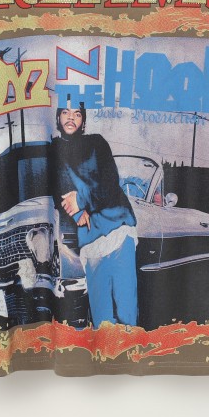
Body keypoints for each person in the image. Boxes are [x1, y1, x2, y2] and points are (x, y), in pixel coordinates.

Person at [48, 101, 139, 328]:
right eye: (65, 113)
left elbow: (109, 185)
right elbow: (58, 192)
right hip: (90, 239)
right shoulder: (54, 150)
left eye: (77, 114)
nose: (71, 118)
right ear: (58, 118)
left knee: (126, 312)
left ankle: (131, 349)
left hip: (117, 227)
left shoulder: (97, 143)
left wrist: (80, 201)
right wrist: (77, 212)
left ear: (83, 120)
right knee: (102, 320)